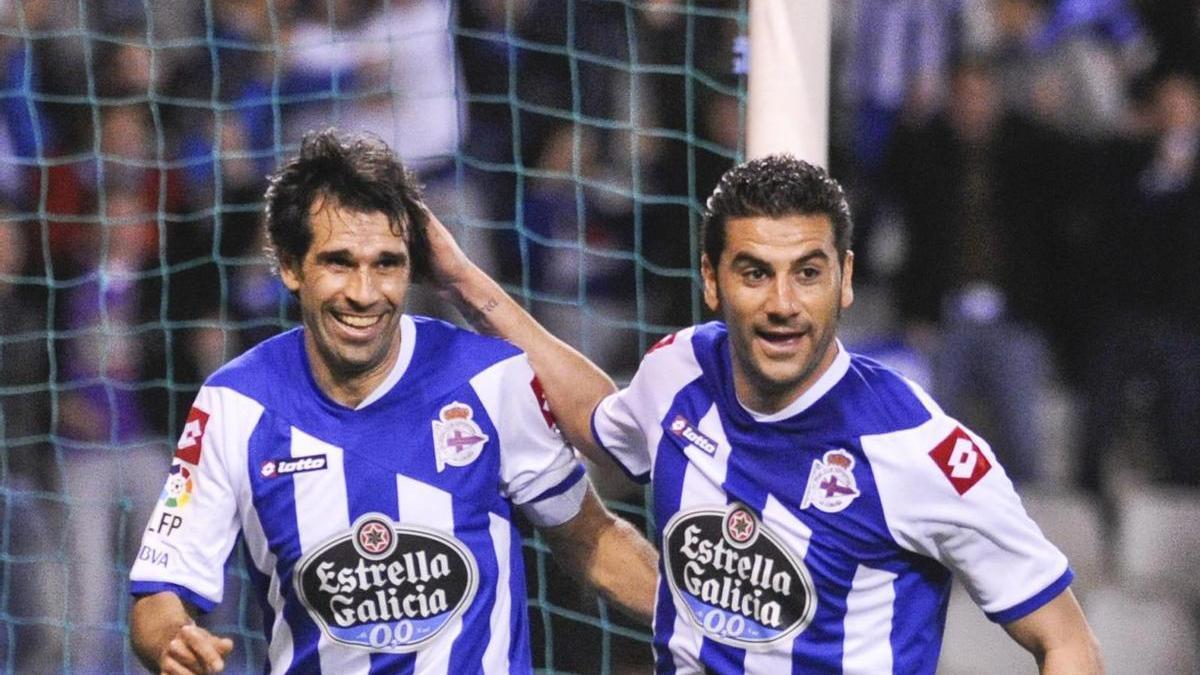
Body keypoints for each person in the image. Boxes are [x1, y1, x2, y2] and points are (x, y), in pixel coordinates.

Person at [426, 154, 1103, 673]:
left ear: (845, 279)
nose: (784, 302)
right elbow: (599, 422)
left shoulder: (917, 448)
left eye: (807, 273)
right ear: (712, 281)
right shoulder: (679, 370)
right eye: (755, 273)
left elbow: (1066, 640)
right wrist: (464, 281)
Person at [128, 129, 658, 674]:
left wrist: (715, 634)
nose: (365, 292)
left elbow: (592, 541)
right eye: (339, 262)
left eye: (386, 263)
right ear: (290, 266)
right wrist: (173, 641)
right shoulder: (234, 404)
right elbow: (160, 592)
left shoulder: (488, 379)